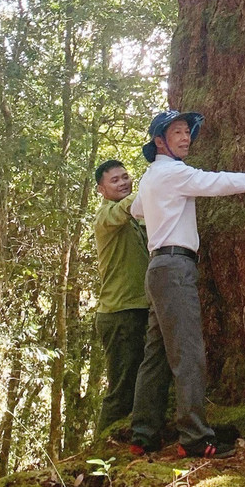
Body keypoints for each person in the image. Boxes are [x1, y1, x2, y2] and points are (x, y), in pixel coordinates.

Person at [130, 109, 245, 459]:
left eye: (187, 132)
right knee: (188, 353)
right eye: (177, 133)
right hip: (175, 268)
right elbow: (217, 182)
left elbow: (137, 210)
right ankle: (195, 437)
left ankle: (143, 434)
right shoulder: (174, 173)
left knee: (156, 355)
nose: (186, 138)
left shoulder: (152, 177)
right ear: (159, 141)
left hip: (158, 268)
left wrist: (163, 211)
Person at [92, 158, 170, 447]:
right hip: (119, 312)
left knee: (142, 380)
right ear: (101, 189)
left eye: (125, 177)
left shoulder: (137, 219)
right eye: (115, 180)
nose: (123, 182)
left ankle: (134, 438)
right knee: (122, 388)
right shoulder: (106, 216)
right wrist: (159, 183)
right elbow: (126, 208)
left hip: (139, 308)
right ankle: (101, 451)